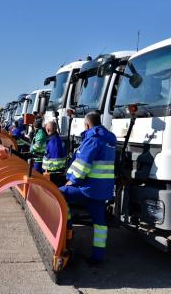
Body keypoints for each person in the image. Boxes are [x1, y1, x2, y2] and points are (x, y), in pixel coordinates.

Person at [59, 111, 116, 265]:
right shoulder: (109, 139)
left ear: (87, 124)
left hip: (89, 188)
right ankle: (98, 257)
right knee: (100, 222)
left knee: (59, 194)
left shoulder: (92, 140)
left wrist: (72, 180)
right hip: (102, 191)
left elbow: (82, 165)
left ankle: (68, 232)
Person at [42, 121, 67, 186]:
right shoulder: (56, 139)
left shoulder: (53, 142)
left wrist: (48, 170)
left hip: (53, 173)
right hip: (56, 172)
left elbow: (55, 159)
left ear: (47, 129)